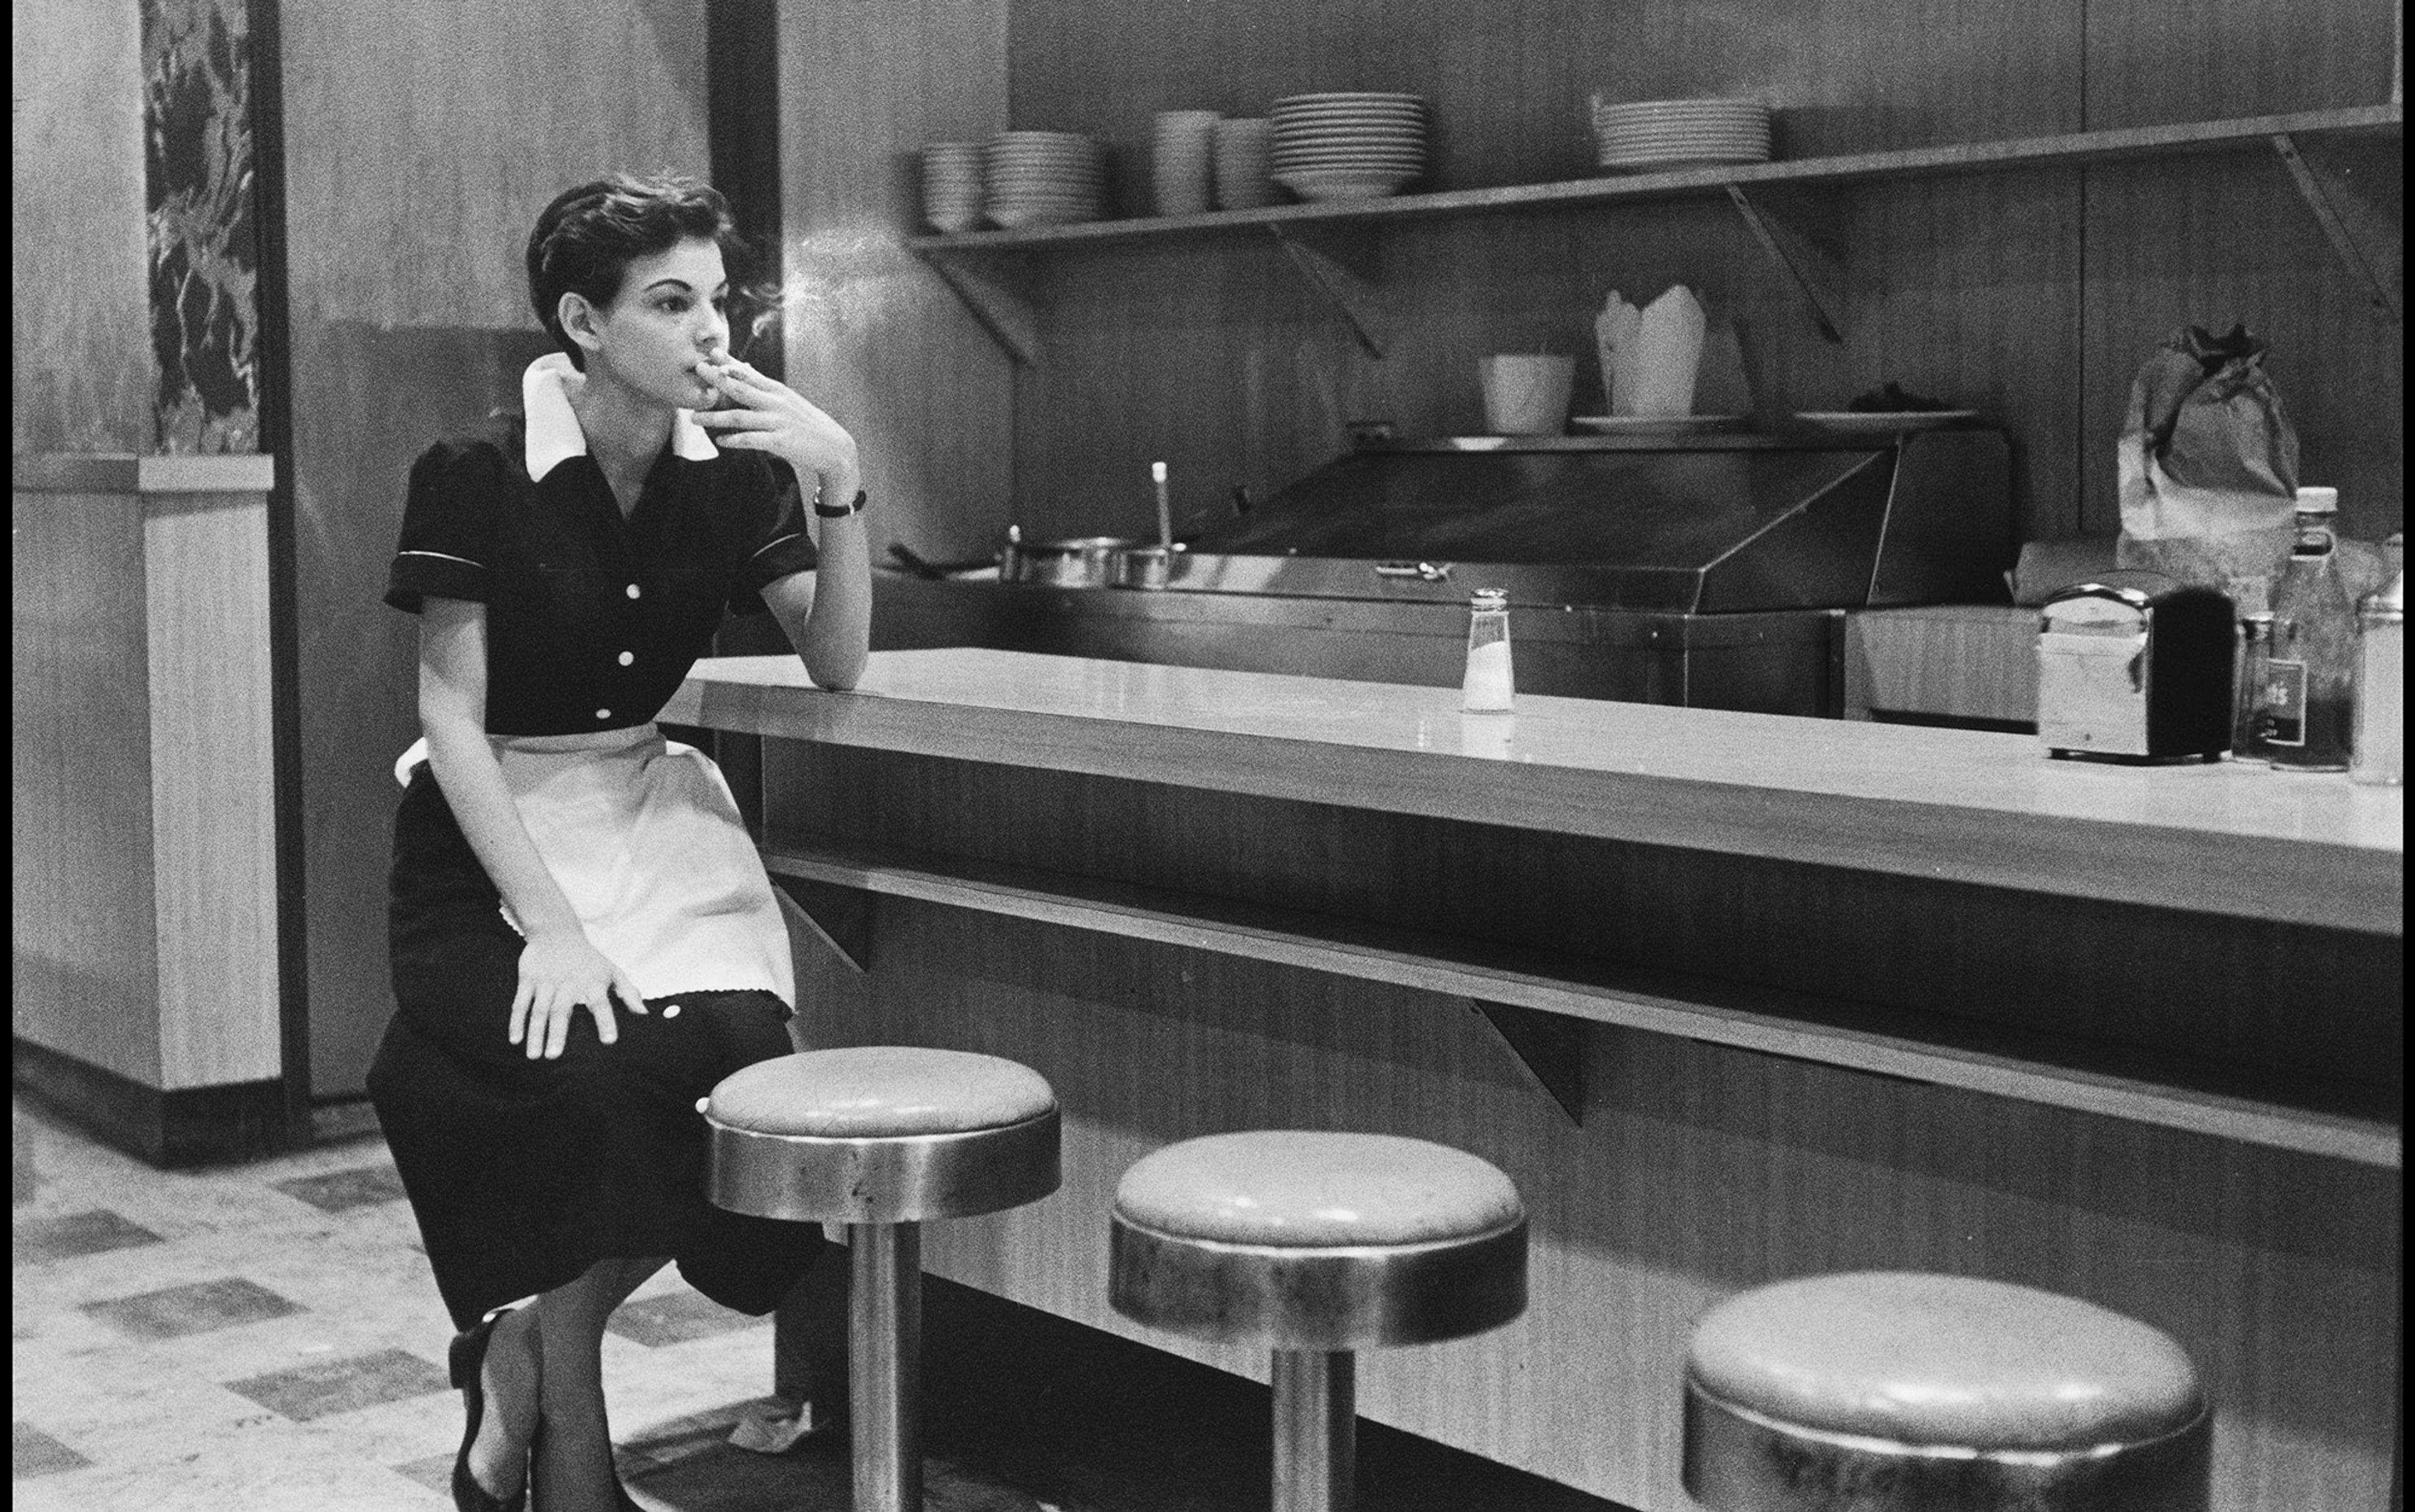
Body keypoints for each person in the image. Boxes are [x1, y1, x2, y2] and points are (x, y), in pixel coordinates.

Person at [365, 172, 872, 1512]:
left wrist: (841, 482)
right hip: (489, 848)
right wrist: (555, 927)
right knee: (592, 1084)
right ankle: (574, 1446)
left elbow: (837, 661)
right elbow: (451, 719)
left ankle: (533, 1346)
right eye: (671, 303)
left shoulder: (738, 477)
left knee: (746, 1083)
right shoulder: (474, 473)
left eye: (721, 301)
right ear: (584, 324)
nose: (714, 334)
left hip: (652, 826)